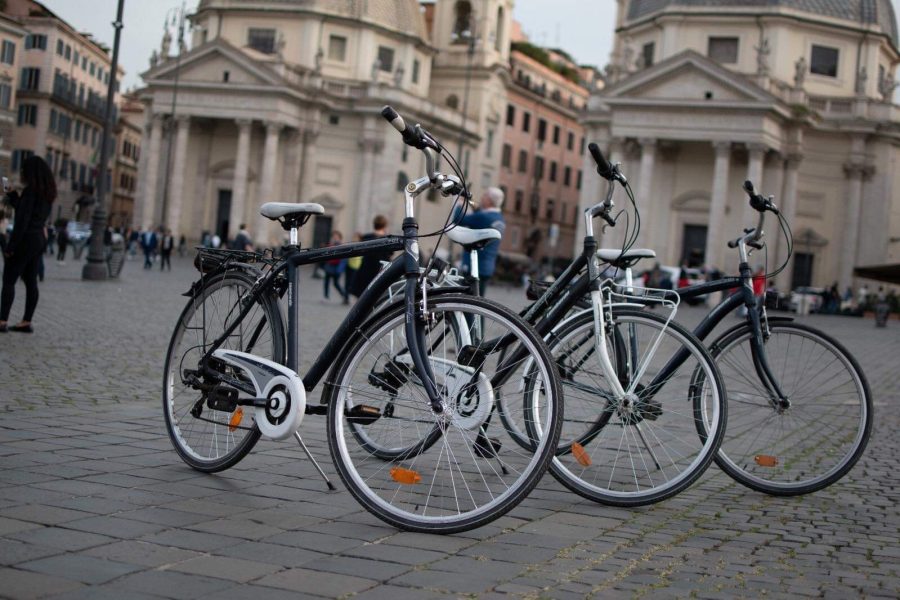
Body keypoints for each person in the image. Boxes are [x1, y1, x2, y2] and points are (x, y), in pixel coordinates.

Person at [0, 156, 56, 333]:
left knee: (9, 279)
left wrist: (11, 246)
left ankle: (2, 321)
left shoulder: (31, 191)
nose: (22, 173)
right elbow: (29, 213)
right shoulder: (47, 192)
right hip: (38, 238)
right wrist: (14, 197)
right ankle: (26, 321)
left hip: (26, 239)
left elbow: (23, 221)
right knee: (31, 280)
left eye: (24, 170)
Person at [453, 187, 506, 295]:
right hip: (487, 267)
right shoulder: (499, 218)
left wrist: (459, 202)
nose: (482, 198)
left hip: (473, 266)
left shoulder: (483, 217)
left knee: (467, 303)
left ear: (489, 200)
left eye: (484, 195)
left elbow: (458, 219)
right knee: (479, 301)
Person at [349, 215, 392, 297]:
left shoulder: (366, 237)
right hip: (380, 273)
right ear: (384, 226)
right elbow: (389, 256)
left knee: (363, 299)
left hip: (365, 272)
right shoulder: (388, 240)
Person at [322, 230, 348, 303]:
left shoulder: (341, 245)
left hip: (336, 267)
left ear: (339, 237)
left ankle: (344, 296)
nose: (334, 237)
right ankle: (326, 297)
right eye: (333, 236)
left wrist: (340, 268)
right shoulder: (331, 244)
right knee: (326, 282)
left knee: (336, 283)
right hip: (329, 266)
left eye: (336, 236)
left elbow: (343, 259)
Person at [345, 232, 363, 298]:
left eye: (356, 237)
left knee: (352, 283)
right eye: (354, 237)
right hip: (349, 265)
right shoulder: (351, 244)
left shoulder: (361, 245)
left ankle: (353, 296)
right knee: (347, 282)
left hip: (356, 267)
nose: (354, 238)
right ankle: (346, 297)